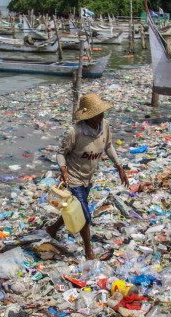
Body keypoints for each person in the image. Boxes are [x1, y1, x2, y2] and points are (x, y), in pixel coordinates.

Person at [46, 93, 129, 260]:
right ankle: (88, 250)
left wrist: (119, 166)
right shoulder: (74, 132)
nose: (103, 114)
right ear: (89, 115)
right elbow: (61, 153)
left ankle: (53, 229)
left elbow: (109, 146)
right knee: (84, 214)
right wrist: (64, 171)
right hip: (74, 177)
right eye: (99, 112)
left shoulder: (104, 126)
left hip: (88, 178)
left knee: (75, 209)